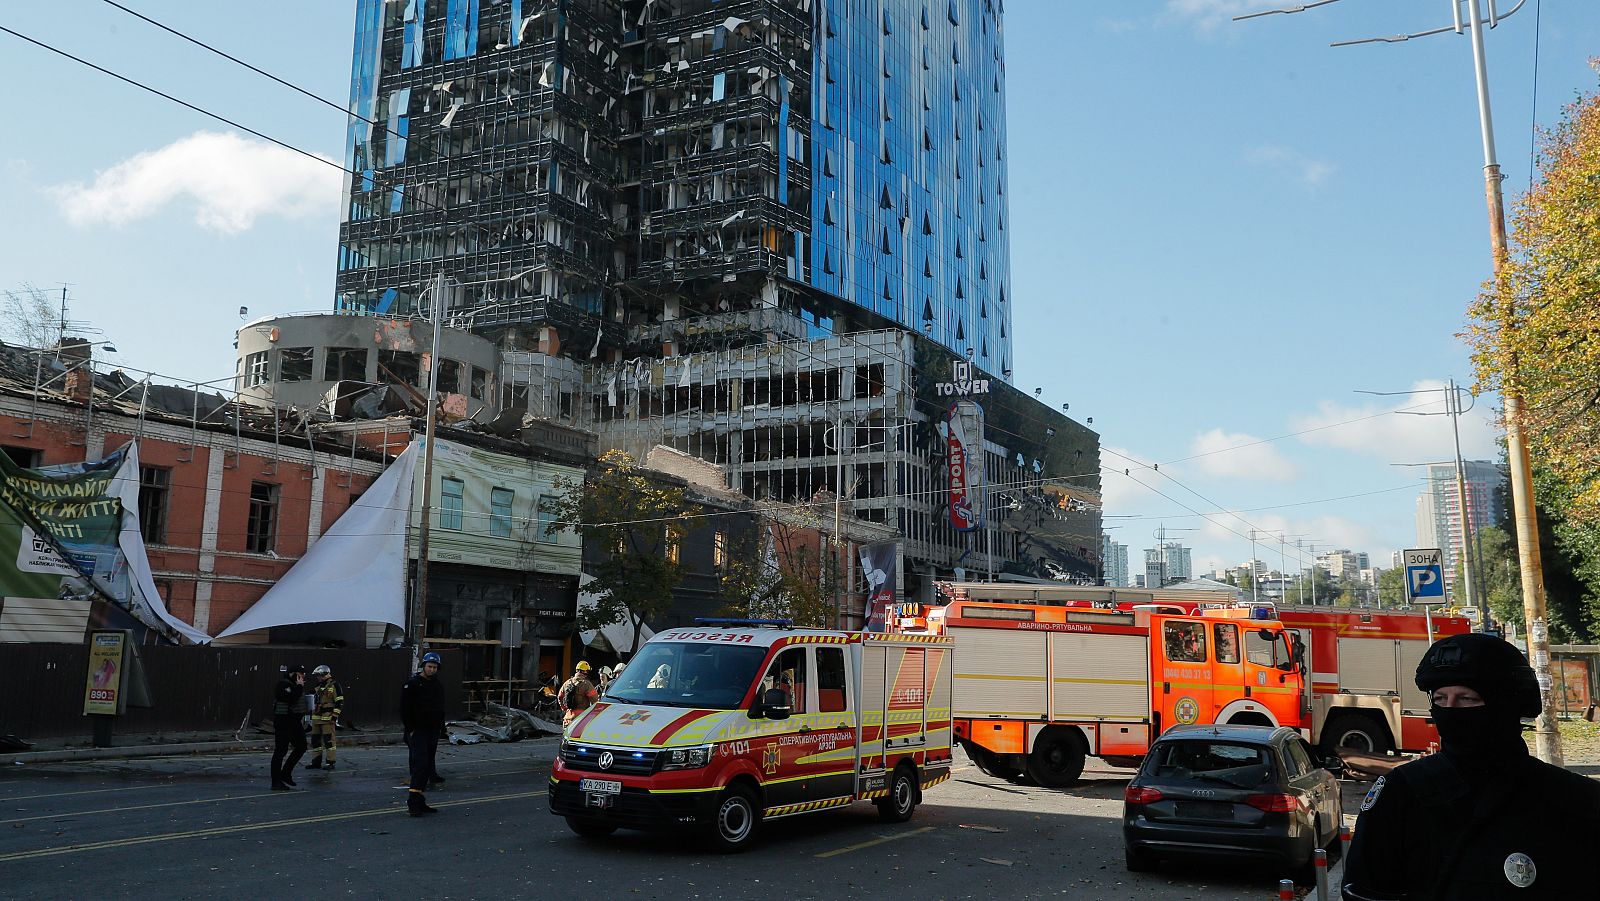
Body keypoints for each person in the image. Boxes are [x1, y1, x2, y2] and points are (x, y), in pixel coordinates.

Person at [1342, 632, 1600, 899]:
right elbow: (1363, 889)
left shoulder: (1576, 799)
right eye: (1440, 699)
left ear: (1507, 706)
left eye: (1467, 698)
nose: (1450, 710)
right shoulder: (1401, 792)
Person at [400, 652, 447, 816]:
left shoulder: (436, 685)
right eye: (429, 666)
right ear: (424, 666)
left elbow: (440, 707)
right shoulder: (412, 684)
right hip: (418, 730)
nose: (432, 670)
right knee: (420, 765)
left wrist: (442, 728)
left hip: (432, 730)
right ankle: (413, 802)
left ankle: (420, 800)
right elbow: (404, 709)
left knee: (427, 766)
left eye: (435, 667)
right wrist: (411, 729)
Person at [269, 664, 309, 790]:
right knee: (280, 751)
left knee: (301, 747)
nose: (302, 677)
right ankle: (276, 782)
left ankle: (286, 773)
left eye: (303, 675)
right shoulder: (283, 685)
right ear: (293, 674)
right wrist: (299, 686)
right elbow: (291, 698)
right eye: (300, 674)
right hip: (284, 722)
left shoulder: (295, 686)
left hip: (295, 722)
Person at [305, 664, 344, 771]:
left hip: (328, 719)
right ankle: (316, 762)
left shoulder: (334, 685)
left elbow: (340, 701)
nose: (317, 677)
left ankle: (330, 762)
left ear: (324, 674)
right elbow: (310, 697)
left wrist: (334, 716)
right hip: (316, 718)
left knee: (329, 741)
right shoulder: (318, 686)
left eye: (318, 675)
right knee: (315, 741)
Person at [558, 661, 599, 727]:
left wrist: (565, 709)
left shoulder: (567, 683)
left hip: (567, 719)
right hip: (581, 719)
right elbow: (595, 700)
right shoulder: (586, 684)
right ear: (585, 671)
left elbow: (560, 697)